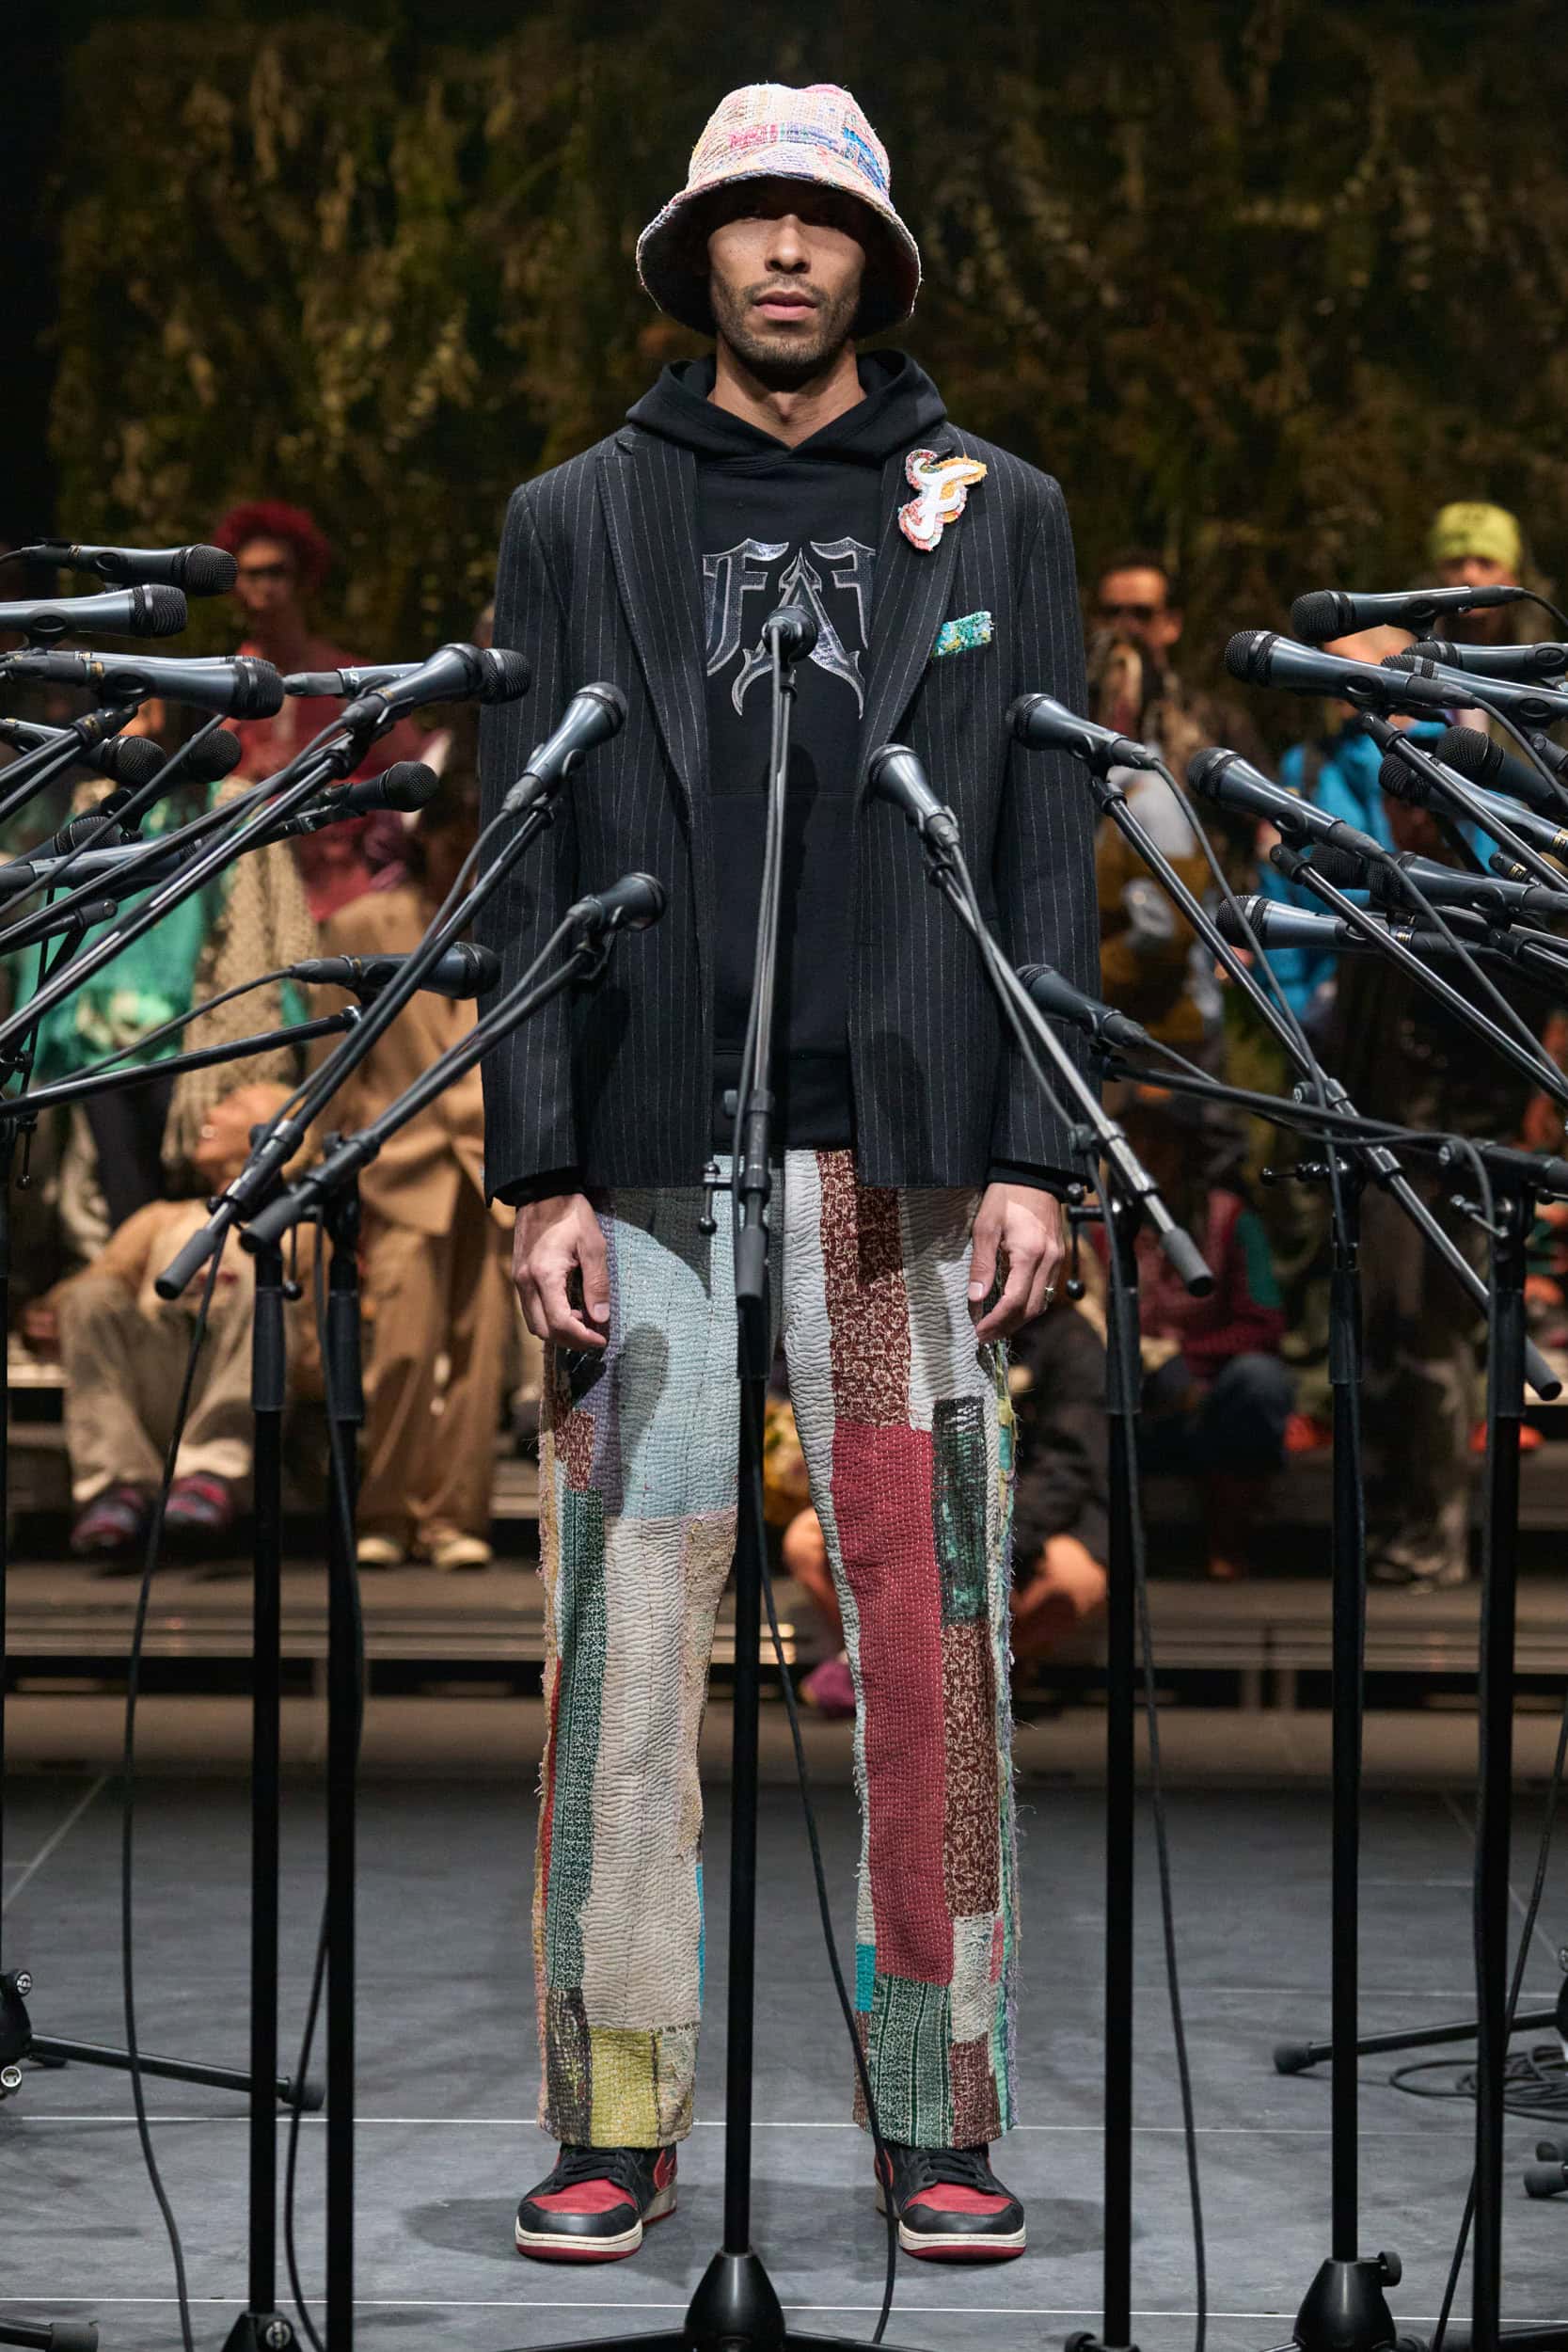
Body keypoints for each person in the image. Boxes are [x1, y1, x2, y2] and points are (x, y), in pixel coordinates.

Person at [480, 82, 1099, 2265]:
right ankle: (616, 2113)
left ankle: (934, 2107)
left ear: (870, 263)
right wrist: (535, 1169)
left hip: (896, 1156)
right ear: (693, 254)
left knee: (926, 1644)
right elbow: (516, 858)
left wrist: (1033, 1147)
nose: (779, 252)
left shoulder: (993, 514)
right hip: (647, 1157)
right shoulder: (576, 517)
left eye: (817, 222)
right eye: (744, 218)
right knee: (623, 1649)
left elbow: (1042, 843)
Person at [312, 792, 513, 1571]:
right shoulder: (363, 927)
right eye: (456, 830)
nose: (465, 845)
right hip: (400, 1160)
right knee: (401, 1348)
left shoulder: (514, 925)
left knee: (480, 1356)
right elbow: (332, 1059)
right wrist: (325, 1160)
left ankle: (453, 1516)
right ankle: (386, 1508)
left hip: (490, 1165)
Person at [30, 1083, 307, 1562]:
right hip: (159, 1379)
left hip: (249, 1388)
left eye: (234, 1105)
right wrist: (53, 1309)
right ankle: (117, 1485)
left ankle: (212, 1473)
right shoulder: (162, 1218)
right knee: (91, 1298)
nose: (212, 1112)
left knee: (265, 1280)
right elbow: (97, 1283)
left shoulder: (305, 1229)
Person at [1109, 1089, 1291, 1580]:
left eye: (1160, 1141)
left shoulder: (1229, 1218)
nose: (1146, 1155)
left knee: (1260, 1381)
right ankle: (1114, 1553)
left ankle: (1229, 1537)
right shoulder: (1098, 1221)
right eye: (1134, 1142)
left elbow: (1264, 1323)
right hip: (1125, 1387)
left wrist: (1185, 1357)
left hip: (1204, 1396)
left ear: (1186, 1149)